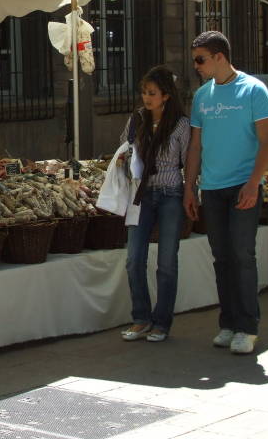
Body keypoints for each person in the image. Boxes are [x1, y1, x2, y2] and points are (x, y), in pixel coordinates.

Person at [184, 30, 268, 355]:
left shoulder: (253, 90)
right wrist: (189, 188)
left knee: (242, 256)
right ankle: (229, 322)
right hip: (212, 187)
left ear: (220, 56)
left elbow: (267, 141)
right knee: (222, 257)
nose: (197, 66)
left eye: (200, 59)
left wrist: (253, 183)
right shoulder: (202, 96)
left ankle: (247, 327)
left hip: (243, 186)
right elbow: (195, 146)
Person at [121, 66, 190, 343]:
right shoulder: (136, 119)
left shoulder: (180, 125)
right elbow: (124, 149)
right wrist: (123, 159)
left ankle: (162, 322)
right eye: (143, 93)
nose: (146, 98)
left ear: (166, 95)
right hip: (142, 194)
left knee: (166, 262)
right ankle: (141, 318)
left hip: (171, 192)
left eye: (152, 93)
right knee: (133, 259)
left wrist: (190, 193)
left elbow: (187, 159)